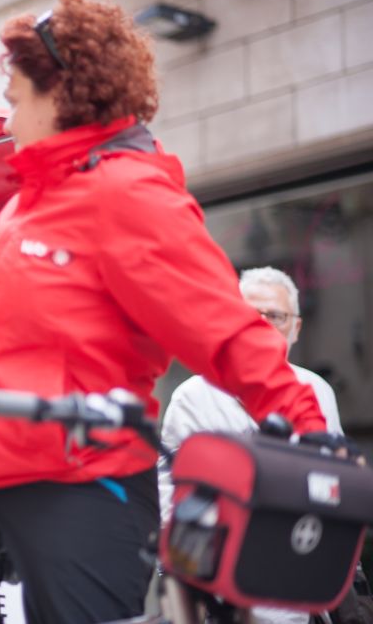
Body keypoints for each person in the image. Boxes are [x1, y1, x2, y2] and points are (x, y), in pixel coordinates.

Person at [0, 0, 331, 623]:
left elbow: (223, 328)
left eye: (15, 101)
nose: (5, 121)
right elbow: (23, 294)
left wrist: (309, 430)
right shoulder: (34, 201)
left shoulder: (132, 196)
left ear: (64, 96)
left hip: (83, 481)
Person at [159, 266, 344, 624]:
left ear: (296, 328)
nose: (261, 325)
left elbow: (332, 483)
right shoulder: (193, 397)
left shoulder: (318, 392)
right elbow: (170, 495)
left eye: (274, 316)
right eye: (249, 315)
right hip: (219, 590)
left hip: (300, 577)